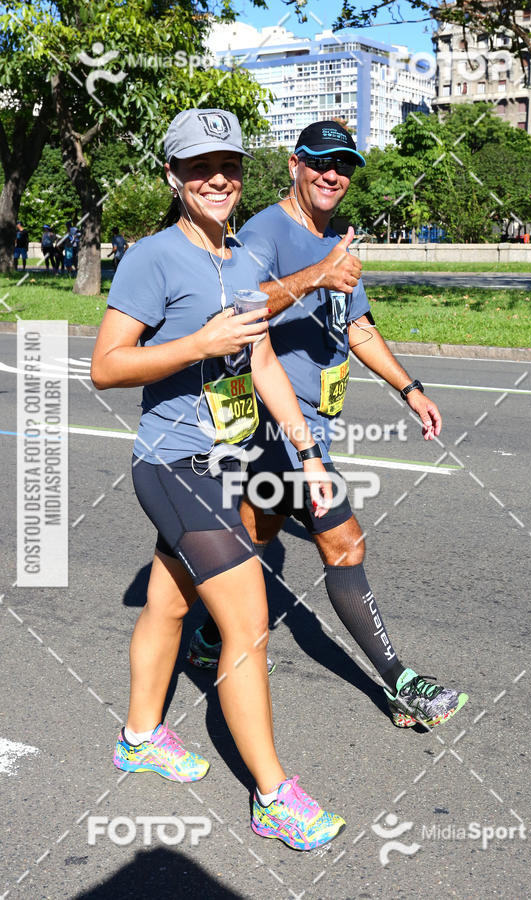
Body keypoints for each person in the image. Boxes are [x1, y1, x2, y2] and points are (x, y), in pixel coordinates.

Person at [90, 108, 345, 852]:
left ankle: (140, 737)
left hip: (222, 463)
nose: (217, 180)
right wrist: (199, 343)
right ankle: (273, 795)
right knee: (247, 625)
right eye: (199, 168)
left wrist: (308, 454)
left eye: (227, 165)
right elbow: (106, 366)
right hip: (174, 465)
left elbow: (260, 360)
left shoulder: (241, 258)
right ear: (173, 177)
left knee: (169, 605)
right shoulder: (153, 257)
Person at [188, 120, 468, 730]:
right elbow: (237, 307)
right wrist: (316, 274)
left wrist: (409, 389)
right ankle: (401, 683)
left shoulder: (337, 239)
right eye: (319, 161)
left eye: (342, 165)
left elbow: (356, 326)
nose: (331, 174)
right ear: (295, 164)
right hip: (276, 425)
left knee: (258, 529)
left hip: (313, 422)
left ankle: (208, 632)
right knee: (345, 543)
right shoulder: (266, 231)